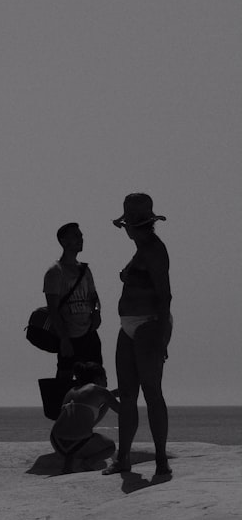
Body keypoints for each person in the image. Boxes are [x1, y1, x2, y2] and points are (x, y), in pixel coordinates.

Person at [104, 193, 173, 477]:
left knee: (152, 391)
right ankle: (123, 458)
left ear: (135, 225)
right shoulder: (141, 248)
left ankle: (160, 459)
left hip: (148, 325)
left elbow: (165, 295)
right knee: (128, 394)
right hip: (129, 325)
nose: (125, 230)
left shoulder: (155, 249)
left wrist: (162, 336)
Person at [43, 223, 103, 388]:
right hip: (69, 334)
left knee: (96, 377)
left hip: (88, 332)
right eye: (76, 236)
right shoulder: (55, 272)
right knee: (65, 379)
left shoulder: (84, 270)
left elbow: (93, 296)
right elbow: (53, 308)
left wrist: (97, 313)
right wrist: (64, 339)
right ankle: (65, 412)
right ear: (63, 241)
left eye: (81, 236)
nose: (80, 239)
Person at [50, 362, 120, 473]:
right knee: (110, 447)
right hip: (78, 442)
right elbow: (122, 411)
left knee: (78, 432)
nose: (106, 383)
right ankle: (88, 463)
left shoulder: (71, 391)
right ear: (98, 378)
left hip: (56, 442)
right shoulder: (100, 390)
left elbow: (86, 423)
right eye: (105, 379)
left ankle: (68, 464)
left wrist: (107, 402)